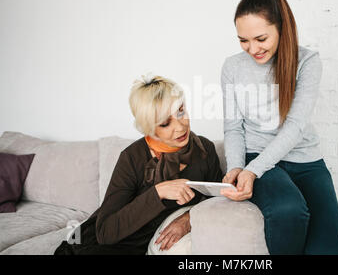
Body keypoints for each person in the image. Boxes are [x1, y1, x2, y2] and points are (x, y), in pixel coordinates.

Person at [220, 0, 338, 255]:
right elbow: (233, 127)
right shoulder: (232, 67)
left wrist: (252, 170)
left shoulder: (307, 62)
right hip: (258, 155)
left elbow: (295, 126)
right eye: (243, 40)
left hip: (305, 159)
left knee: (329, 251)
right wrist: (237, 168)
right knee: (290, 210)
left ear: (281, 28)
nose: (252, 48)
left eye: (261, 38)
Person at [54, 73, 223, 255]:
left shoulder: (204, 149)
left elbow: (220, 196)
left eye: (181, 111)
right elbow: (105, 233)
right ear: (149, 128)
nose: (181, 127)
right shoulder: (132, 158)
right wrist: (159, 192)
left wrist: (189, 218)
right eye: (165, 123)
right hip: (96, 246)